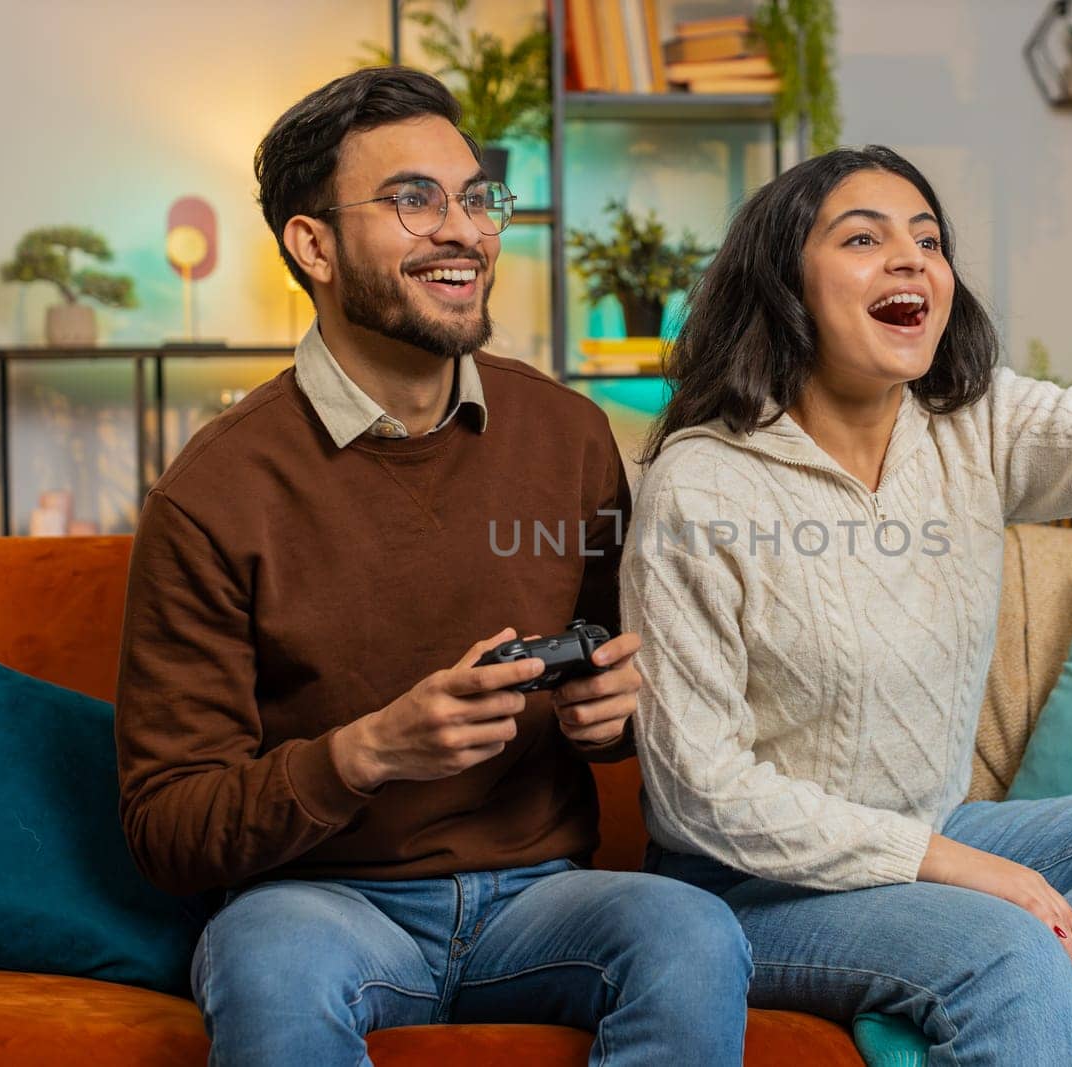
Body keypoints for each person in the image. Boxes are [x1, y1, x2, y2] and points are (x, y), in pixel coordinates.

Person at [622, 145, 1072, 1066]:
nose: (911, 257)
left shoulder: (974, 420)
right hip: (754, 888)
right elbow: (693, 791)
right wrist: (943, 864)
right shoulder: (701, 486)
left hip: (940, 831)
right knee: (1004, 945)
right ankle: (991, 980)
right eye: (863, 238)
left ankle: (978, 1000)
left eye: (929, 239)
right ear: (783, 281)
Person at [115, 67, 750, 1067]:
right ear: (312, 243)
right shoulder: (213, 490)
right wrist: (366, 750)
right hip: (320, 900)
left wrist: (615, 715)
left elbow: (633, 683)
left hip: (545, 894)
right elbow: (167, 825)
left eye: (474, 197)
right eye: (413, 199)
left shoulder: (570, 434)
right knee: (267, 968)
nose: (463, 230)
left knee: (691, 932)